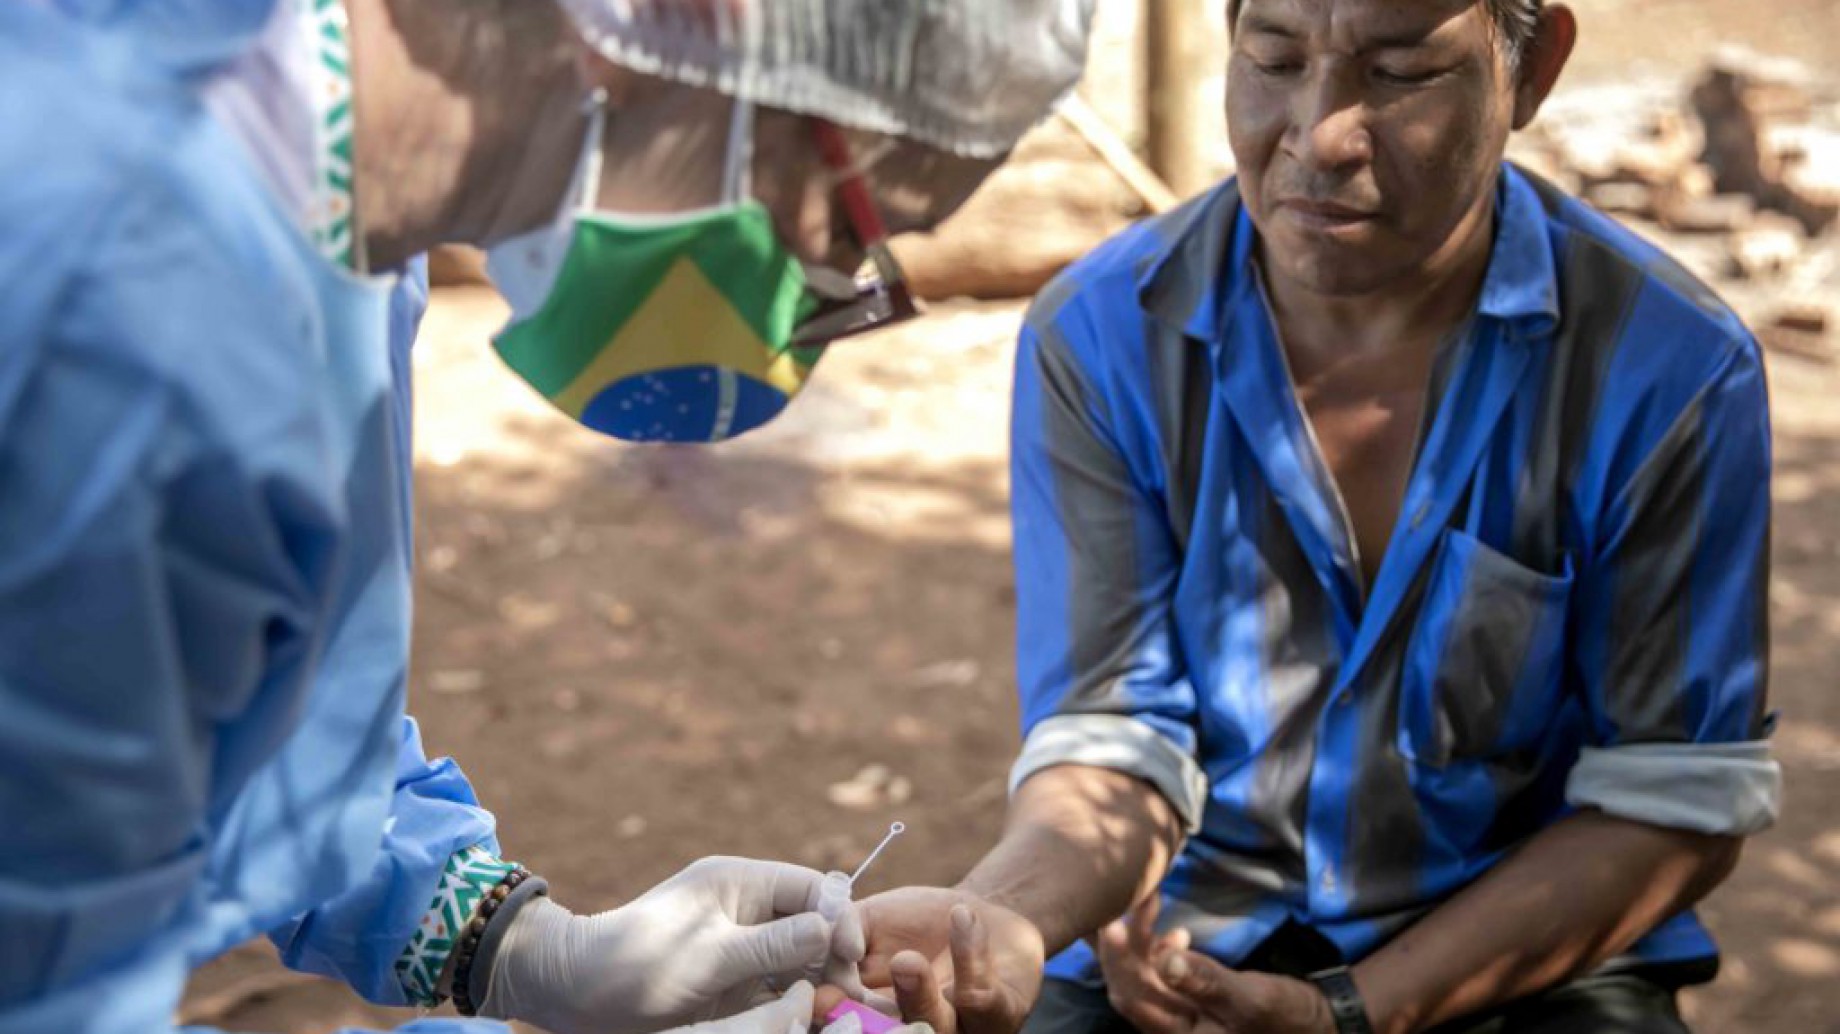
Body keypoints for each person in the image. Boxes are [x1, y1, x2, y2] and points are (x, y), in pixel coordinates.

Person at [0, 2, 1094, 1033]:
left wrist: (524, 944)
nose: (811, 306)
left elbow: (253, 726)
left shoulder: (340, 227)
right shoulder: (114, 303)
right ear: (702, 20)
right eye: (850, 230)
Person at [837, 1, 1780, 1033]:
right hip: (1180, 936)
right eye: (1275, 58)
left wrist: (1345, 1010)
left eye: (1403, 71)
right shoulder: (1106, 333)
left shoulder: (1668, 365)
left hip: (1522, 948)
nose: (1322, 134)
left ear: (1532, 68)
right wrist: (1002, 918)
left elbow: (1667, 801)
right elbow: (1114, 738)